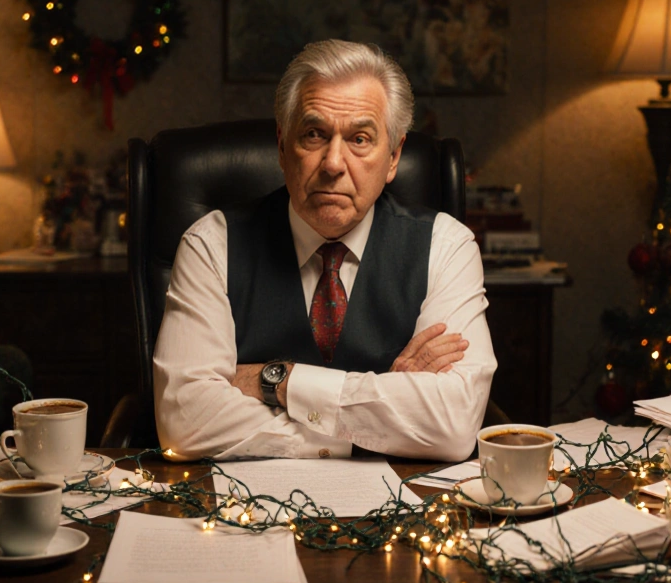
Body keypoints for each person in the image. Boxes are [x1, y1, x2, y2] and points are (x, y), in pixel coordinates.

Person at [154, 39, 496, 462]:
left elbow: (453, 426)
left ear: (393, 157)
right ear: (282, 146)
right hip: (245, 511)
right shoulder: (211, 243)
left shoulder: (447, 247)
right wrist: (374, 419)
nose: (334, 163)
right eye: (314, 134)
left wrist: (278, 382)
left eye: (360, 139)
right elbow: (185, 423)